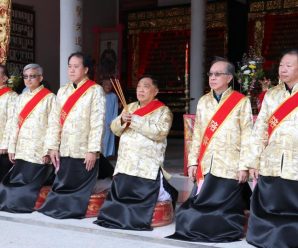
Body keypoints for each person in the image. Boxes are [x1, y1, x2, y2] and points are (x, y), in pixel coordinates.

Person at [168, 57, 253, 242]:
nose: (212, 78)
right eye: (210, 74)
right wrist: (192, 162)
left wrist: (244, 165)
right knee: (187, 215)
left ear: (229, 78)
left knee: (220, 214)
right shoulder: (204, 101)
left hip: (230, 166)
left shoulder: (240, 101)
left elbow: (248, 134)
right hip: (206, 165)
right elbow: (197, 134)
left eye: (217, 74)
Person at [94, 75, 178, 230]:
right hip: (126, 163)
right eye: (139, 86)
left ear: (156, 91)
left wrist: (135, 120)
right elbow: (114, 129)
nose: (141, 89)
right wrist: (121, 121)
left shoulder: (163, 111)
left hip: (146, 166)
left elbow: (160, 132)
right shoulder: (130, 107)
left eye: (146, 86)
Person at [38, 52, 113, 219]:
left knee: (79, 189)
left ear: (86, 69)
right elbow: (54, 122)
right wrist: (52, 147)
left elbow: (98, 122)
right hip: (65, 148)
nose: (71, 70)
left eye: (76, 66)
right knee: (61, 188)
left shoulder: (95, 90)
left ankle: (107, 184)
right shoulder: (63, 91)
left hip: (83, 150)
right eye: (69, 66)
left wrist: (93, 150)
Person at [246, 49, 298, 248]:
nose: (283, 69)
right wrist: (253, 160)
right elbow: (260, 129)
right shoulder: (272, 95)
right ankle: (266, 237)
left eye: (289, 65)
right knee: (269, 205)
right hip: (272, 161)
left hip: (295, 163)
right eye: (281, 65)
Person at [0, 63, 55, 213]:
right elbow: (13, 124)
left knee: (25, 187)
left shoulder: (50, 98)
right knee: (8, 185)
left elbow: (53, 126)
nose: (29, 80)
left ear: (41, 78)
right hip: (22, 151)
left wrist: (48, 150)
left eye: (32, 76)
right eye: (26, 77)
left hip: (38, 152)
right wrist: (12, 147)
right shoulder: (21, 98)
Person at [0, 65, 17, 181]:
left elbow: (12, 122)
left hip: (2, 148)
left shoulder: (11, 96)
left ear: (5, 78)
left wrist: (5, 144)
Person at [102, 79, 118, 157]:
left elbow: (115, 110)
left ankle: (107, 155)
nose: (108, 86)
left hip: (110, 122)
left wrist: (113, 122)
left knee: (108, 139)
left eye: (110, 85)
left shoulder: (114, 96)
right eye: (106, 84)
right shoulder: (99, 95)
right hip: (101, 122)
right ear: (102, 85)